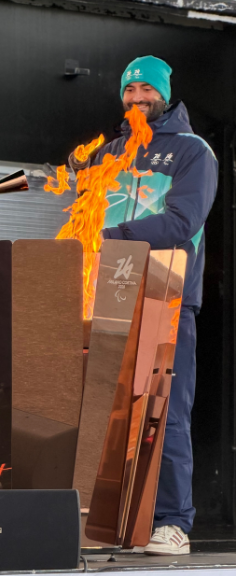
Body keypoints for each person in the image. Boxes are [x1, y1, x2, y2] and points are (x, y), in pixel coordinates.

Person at [68, 56, 217, 556]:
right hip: (106, 294)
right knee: (102, 411)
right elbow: (85, 217)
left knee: (163, 411)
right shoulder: (109, 154)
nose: (137, 99)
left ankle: (173, 523)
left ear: (164, 95)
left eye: (146, 91)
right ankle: (104, 520)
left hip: (165, 295)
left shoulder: (192, 151)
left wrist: (109, 238)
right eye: (129, 91)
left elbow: (182, 222)